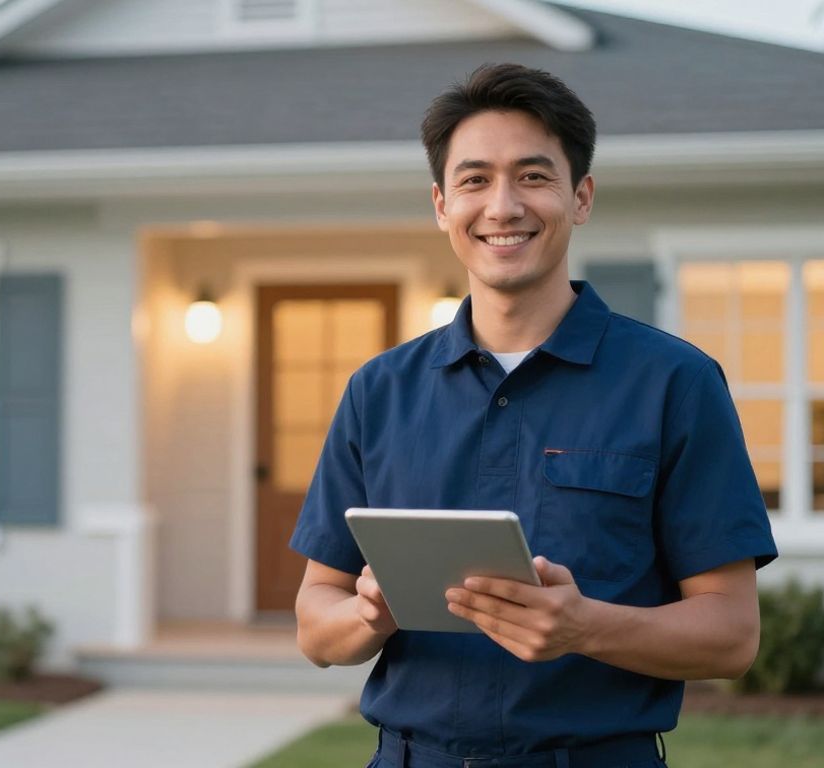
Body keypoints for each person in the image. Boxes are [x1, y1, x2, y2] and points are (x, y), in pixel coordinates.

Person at [289, 62, 777, 768]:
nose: (503, 206)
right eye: (475, 180)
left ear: (580, 198)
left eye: (533, 176)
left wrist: (583, 628)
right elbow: (315, 621)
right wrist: (368, 614)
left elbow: (732, 635)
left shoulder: (676, 383)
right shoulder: (378, 391)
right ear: (440, 205)